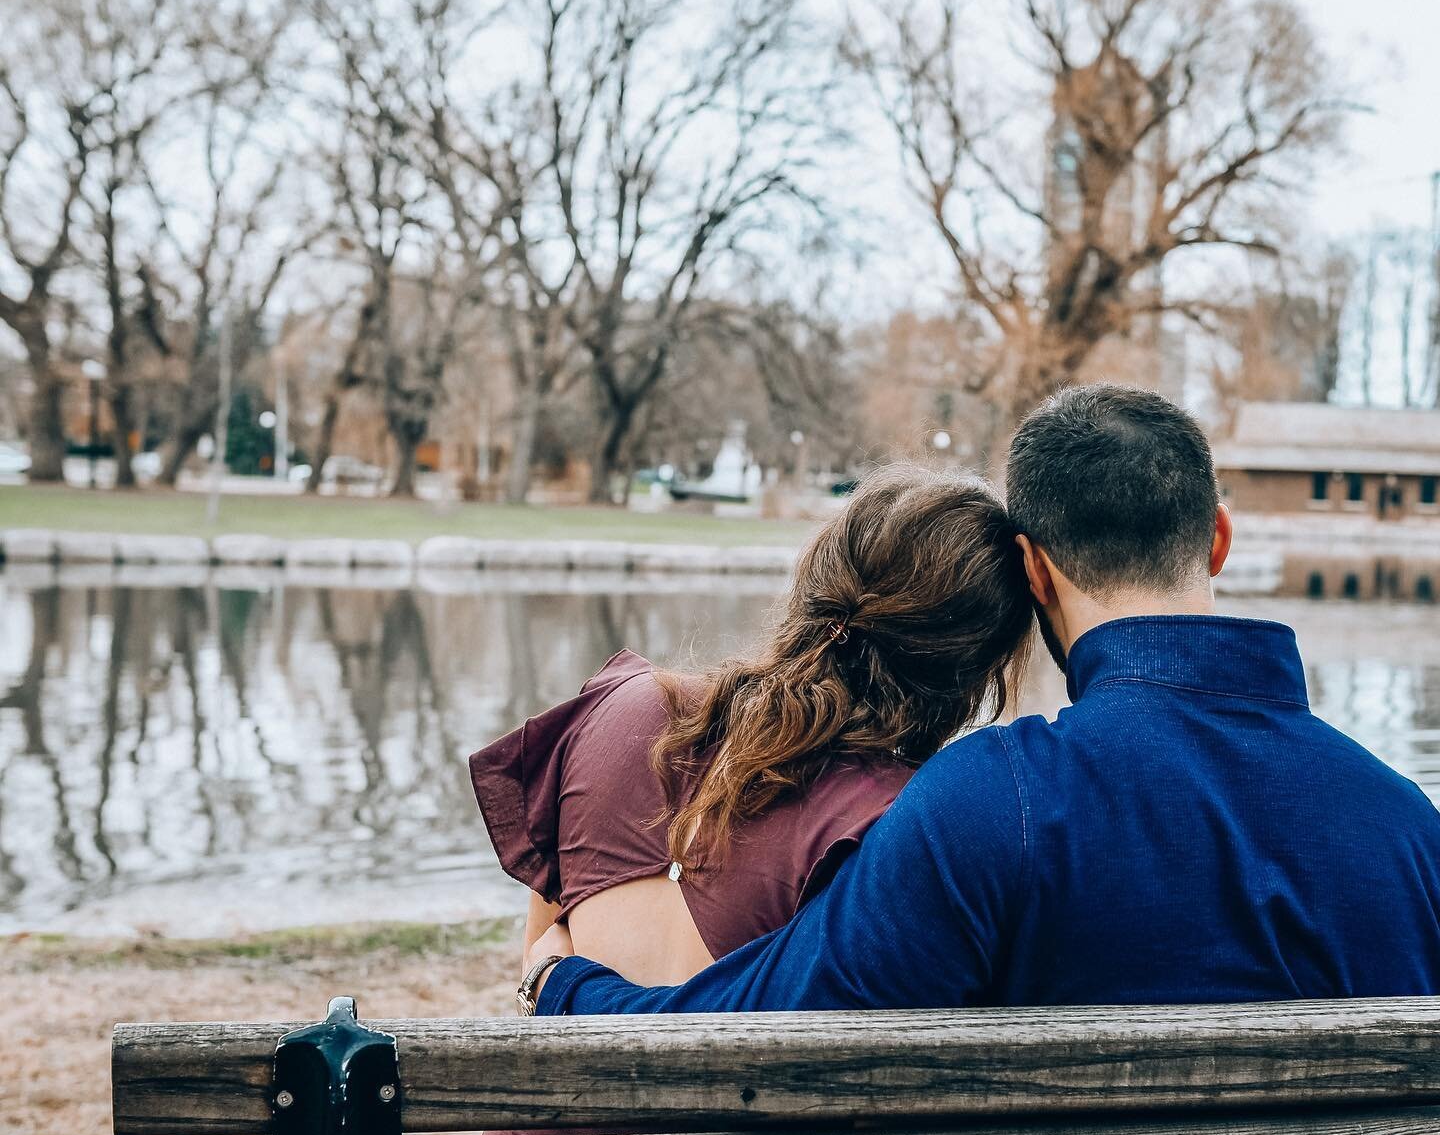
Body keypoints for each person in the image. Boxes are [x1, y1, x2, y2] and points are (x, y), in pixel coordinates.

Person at [522, 383, 1440, 1017]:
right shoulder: (1409, 832)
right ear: (1218, 542)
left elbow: (758, 1033)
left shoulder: (994, 802)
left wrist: (559, 986)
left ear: (1033, 569)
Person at [478, 464, 1032, 996]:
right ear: (972, 673)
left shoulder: (618, 706)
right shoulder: (902, 826)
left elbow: (539, 961)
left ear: (815, 582)